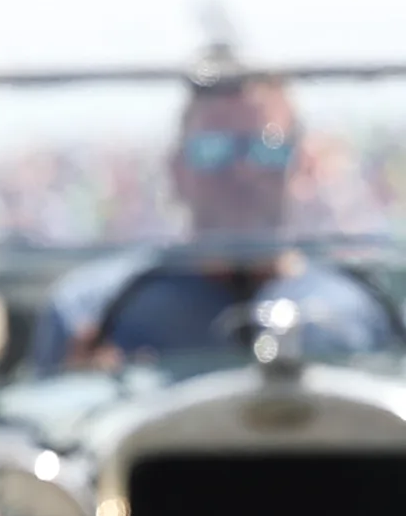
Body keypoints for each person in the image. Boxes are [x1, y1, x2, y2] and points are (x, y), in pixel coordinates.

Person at [41, 66, 398, 368]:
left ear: (301, 166)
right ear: (177, 171)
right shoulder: (94, 311)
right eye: (213, 150)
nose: (241, 171)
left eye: (266, 148)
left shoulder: (370, 310)